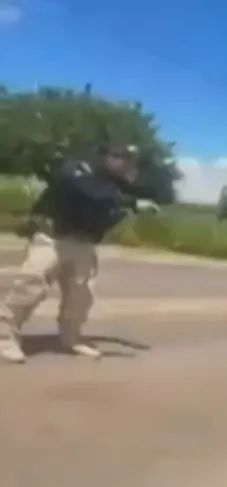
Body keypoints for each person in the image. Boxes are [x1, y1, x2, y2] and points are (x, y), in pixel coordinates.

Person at [0, 143, 159, 364]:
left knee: (80, 296)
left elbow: (118, 205)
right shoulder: (77, 170)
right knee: (31, 285)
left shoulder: (115, 186)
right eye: (119, 157)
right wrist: (130, 202)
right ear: (103, 156)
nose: (124, 163)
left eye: (129, 160)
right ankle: (4, 337)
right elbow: (86, 192)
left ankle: (71, 338)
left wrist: (131, 202)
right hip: (52, 238)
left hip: (84, 244)